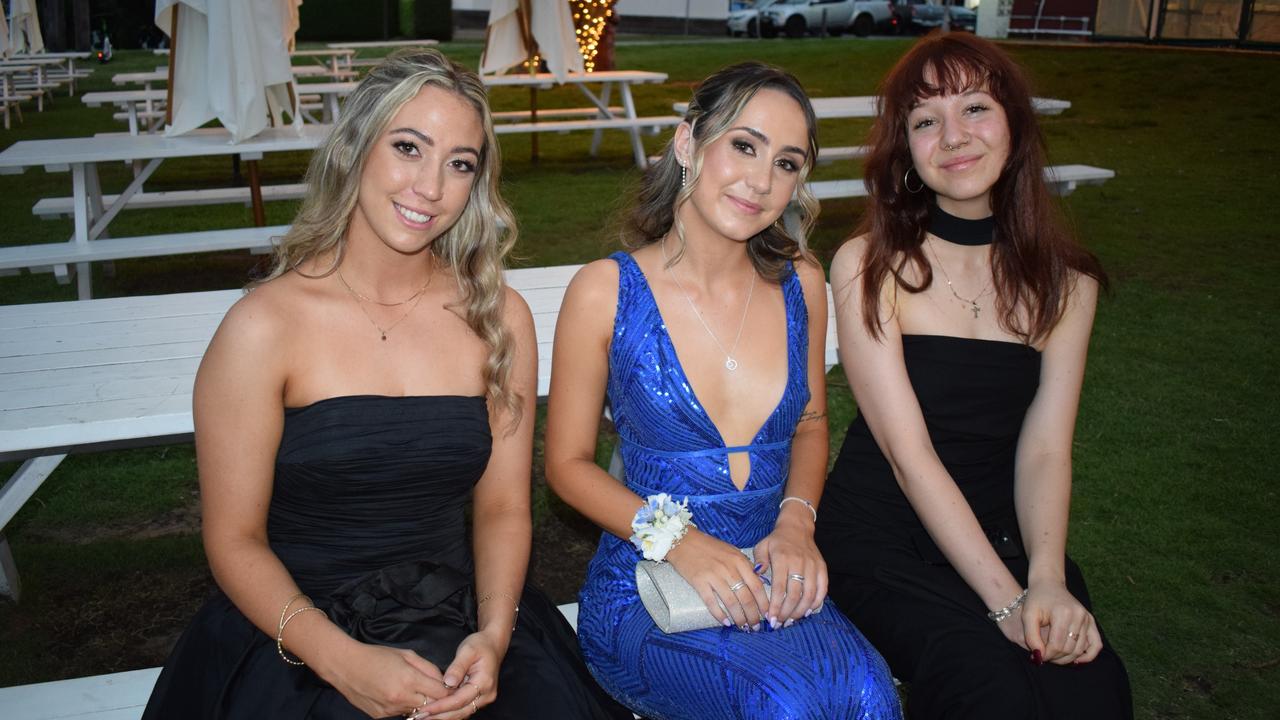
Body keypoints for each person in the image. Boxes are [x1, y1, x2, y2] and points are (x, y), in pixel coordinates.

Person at [142, 49, 632, 720]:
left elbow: (502, 511)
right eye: (409, 147)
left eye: (459, 163)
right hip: (298, 634)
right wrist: (341, 660)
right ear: (354, 149)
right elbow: (234, 539)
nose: (430, 187)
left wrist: (493, 635)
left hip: (463, 617)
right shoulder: (264, 327)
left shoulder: (498, 318)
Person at [545, 62, 902, 720]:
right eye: (744, 145)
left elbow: (811, 424)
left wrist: (796, 523)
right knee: (783, 706)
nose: (763, 181)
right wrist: (679, 541)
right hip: (648, 586)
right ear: (687, 144)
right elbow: (566, 467)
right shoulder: (607, 292)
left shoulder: (802, 284)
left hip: (772, 574)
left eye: (788, 162)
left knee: (869, 697)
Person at [814, 32, 1133, 719]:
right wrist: (1008, 603)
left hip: (1008, 536)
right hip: (881, 541)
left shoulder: (1066, 287)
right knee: (988, 687)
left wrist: (1045, 581)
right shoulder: (869, 268)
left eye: (975, 109)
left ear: (1014, 128)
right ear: (907, 152)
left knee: (1090, 690)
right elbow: (908, 457)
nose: (952, 136)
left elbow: (1046, 450)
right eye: (927, 121)